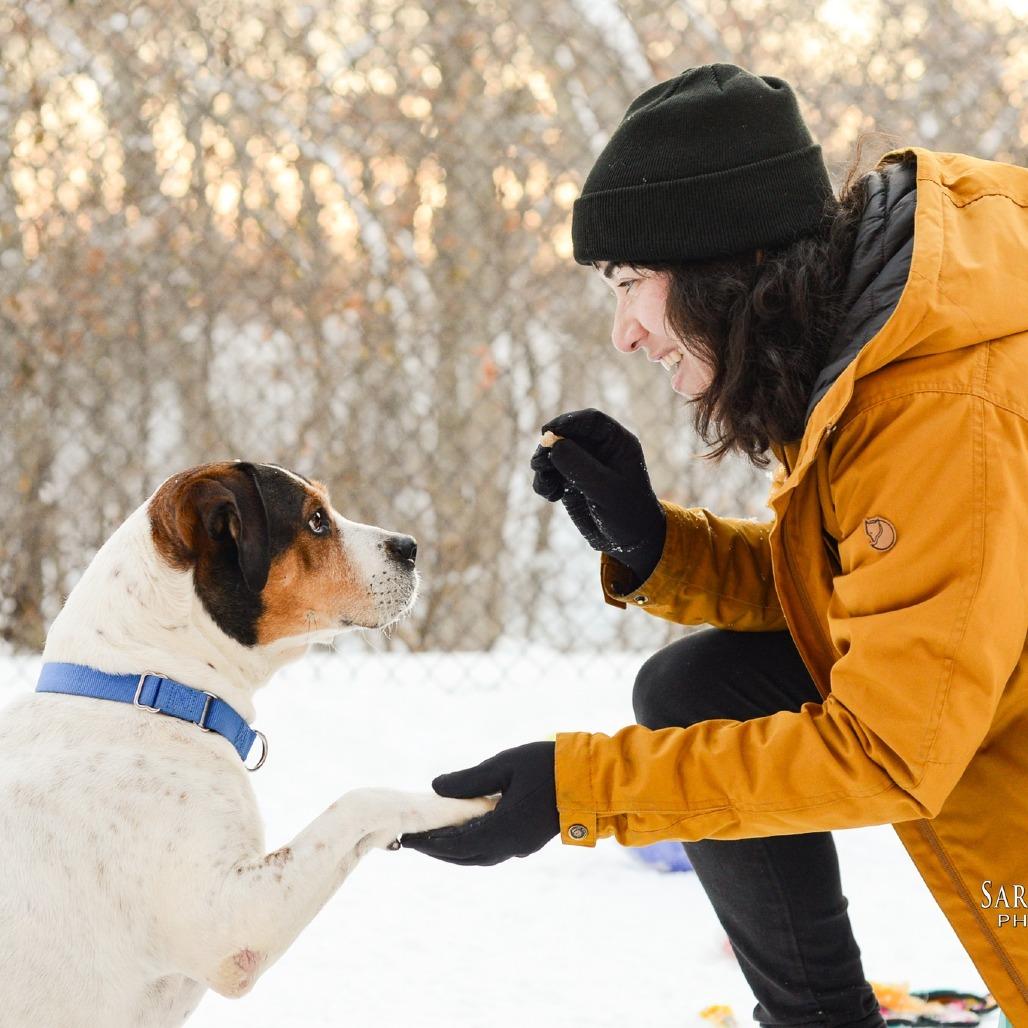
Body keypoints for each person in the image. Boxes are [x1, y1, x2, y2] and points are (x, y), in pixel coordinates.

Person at [402, 64, 1028, 1027]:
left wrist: (576, 788)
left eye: (629, 284)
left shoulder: (938, 408)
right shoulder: (868, 347)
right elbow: (878, 596)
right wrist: (659, 547)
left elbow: (891, 748)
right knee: (695, 690)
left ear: (717, 264)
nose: (623, 334)